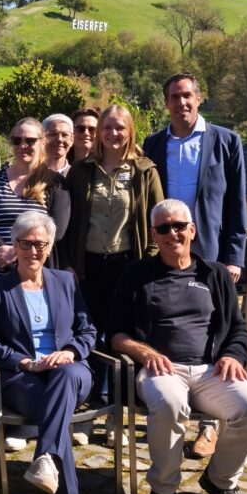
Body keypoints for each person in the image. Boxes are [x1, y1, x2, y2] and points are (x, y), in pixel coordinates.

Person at [110, 199, 247, 494]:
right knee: (170, 403)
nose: (173, 233)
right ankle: (163, 489)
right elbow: (115, 333)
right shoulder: (137, 275)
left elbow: (239, 329)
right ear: (154, 236)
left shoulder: (216, 275)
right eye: (163, 228)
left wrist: (231, 355)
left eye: (179, 226)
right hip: (161, 370)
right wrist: (144, 352)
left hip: (211, 370)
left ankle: (220, 480)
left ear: (192, 230)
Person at [143, 73, 247, 459]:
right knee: (168, 324)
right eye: (174, 97)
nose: (181, 103)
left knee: (216, 330)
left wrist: (233, 257)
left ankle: (209, 426)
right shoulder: (153, 143)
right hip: (165, 249)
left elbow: (237, 203)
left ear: (199, 99)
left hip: (212, 254)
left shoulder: (225, 141)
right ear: (166, 102)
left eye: (187, 96)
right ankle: (170, 408)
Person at [0, 212, 95, 494]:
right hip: (24, 380)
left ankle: (44, 456)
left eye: (40, 244)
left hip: (72, 374)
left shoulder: (66, 282)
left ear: (50, 246)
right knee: (55, 415)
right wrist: (27, 362)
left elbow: (88, 330)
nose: (33, 251)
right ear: (14, 246)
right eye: (26, 244)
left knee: (66, 375)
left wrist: (70, 352)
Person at [65, 104, 163, 444]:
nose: (113, 134)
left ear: (130, 130)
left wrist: (145, 263)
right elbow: (70, 221)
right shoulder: (81, 171)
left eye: (119, 127)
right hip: (88, 266)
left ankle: (117, 418)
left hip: (127, 265)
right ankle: (88, 412)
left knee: (121, 337)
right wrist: (70, 263)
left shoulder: (145, 170)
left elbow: (157, 221)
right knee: (88, 337)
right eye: (107, 127)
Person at [0, 116, 70, 279]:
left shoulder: (55, 183)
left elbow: (58, 231)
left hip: (37, 276)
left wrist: (15, 252)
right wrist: (2, 252)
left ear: (42, 142)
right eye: (17, 140)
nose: (23, 146)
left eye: (30, 140)